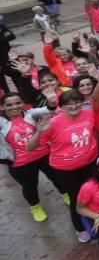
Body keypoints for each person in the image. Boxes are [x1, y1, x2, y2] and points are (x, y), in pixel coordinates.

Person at [25, 90, 99, 242]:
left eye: (76, 102)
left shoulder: (88, 114)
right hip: (66, 168)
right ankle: (80, 228)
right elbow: (29, 148)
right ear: (62, 106)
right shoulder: (53, 123)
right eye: (68, 104)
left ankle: (95, 222)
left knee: (93, 194)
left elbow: (95, 132)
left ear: (81, 102)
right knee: (77, 198)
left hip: (89, 162)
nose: (73, 106)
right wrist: (38, 133)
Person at [1, 91, 67, 222]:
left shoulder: (31, 114)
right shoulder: (2, 123)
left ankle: (65, 194)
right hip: (20, 163)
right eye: (9, 105)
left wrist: (52, 102)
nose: (14, 107)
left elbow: (48, 109)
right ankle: (35, 207)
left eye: (18, 103)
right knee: (30, 186)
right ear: (2, 107)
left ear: (23, 104)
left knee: (56, 176)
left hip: (44, 155)